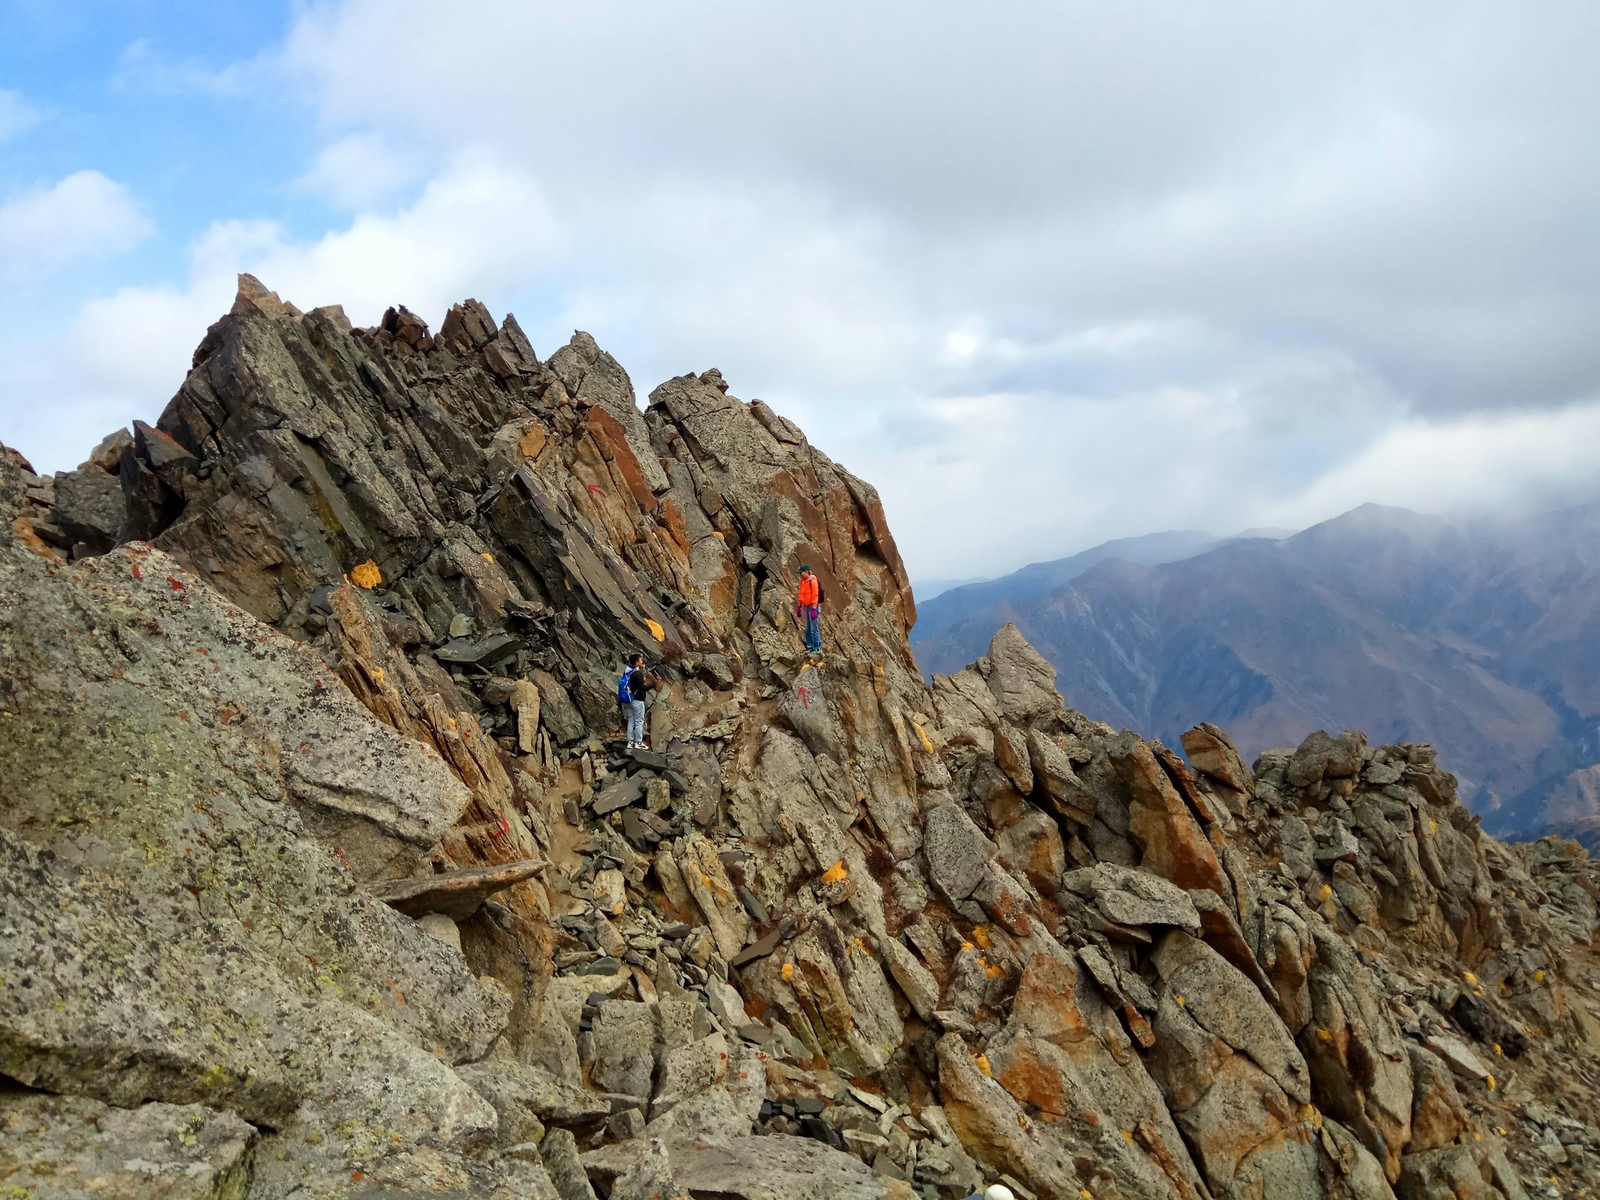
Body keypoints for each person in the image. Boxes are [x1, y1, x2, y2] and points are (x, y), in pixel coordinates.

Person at [617, 652, 650, 748]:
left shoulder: (627, 671)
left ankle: (630, 742)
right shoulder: (637, 673)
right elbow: (642, 687)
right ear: (636, 662)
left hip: (627, 699)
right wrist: (653, 684)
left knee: (631, 720)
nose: (642, 661)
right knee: (639, 721)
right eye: (640, 660)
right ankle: (639, 742)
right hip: (637, 700)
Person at [796, 565, 825, 659]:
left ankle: (817, 647)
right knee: (807, 628)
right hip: (805, 606)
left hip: (813, 607)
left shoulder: (813, 581)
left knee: (814, 628)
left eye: (801, 572)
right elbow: (801, 595)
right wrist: (799, 606)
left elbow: (815, 595)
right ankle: (810, 646)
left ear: (807, 571)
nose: (800, 574)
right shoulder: (802, 582)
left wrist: (813, 609)